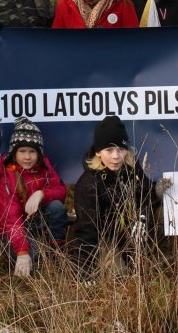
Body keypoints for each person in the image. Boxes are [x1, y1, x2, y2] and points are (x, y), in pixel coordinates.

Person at [71, 115, 160, 273]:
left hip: (132, 234)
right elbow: (86, 231)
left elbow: (146, 198)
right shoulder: (89, 183)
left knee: (148, 268)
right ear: (98, 152)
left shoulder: (132, 169)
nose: (116, 156)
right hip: (106, 239)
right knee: (116, 273)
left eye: (121, 149)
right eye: (109, 150)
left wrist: (155, 194)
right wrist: (84, 273)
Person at [0, 117, 69, 277]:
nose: (27, 157)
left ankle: (57, 252)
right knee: (32, 257)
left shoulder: (45, 168)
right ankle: (31, 257)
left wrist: (41, 194)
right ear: (14, 152)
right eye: (22, 151)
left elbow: (61, 190)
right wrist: (22, 252)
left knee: (56, 207)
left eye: (32, 152)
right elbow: (11, 220)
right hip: (14, 231)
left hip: (37, 223)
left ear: (39, 153)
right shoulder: (8, 179)